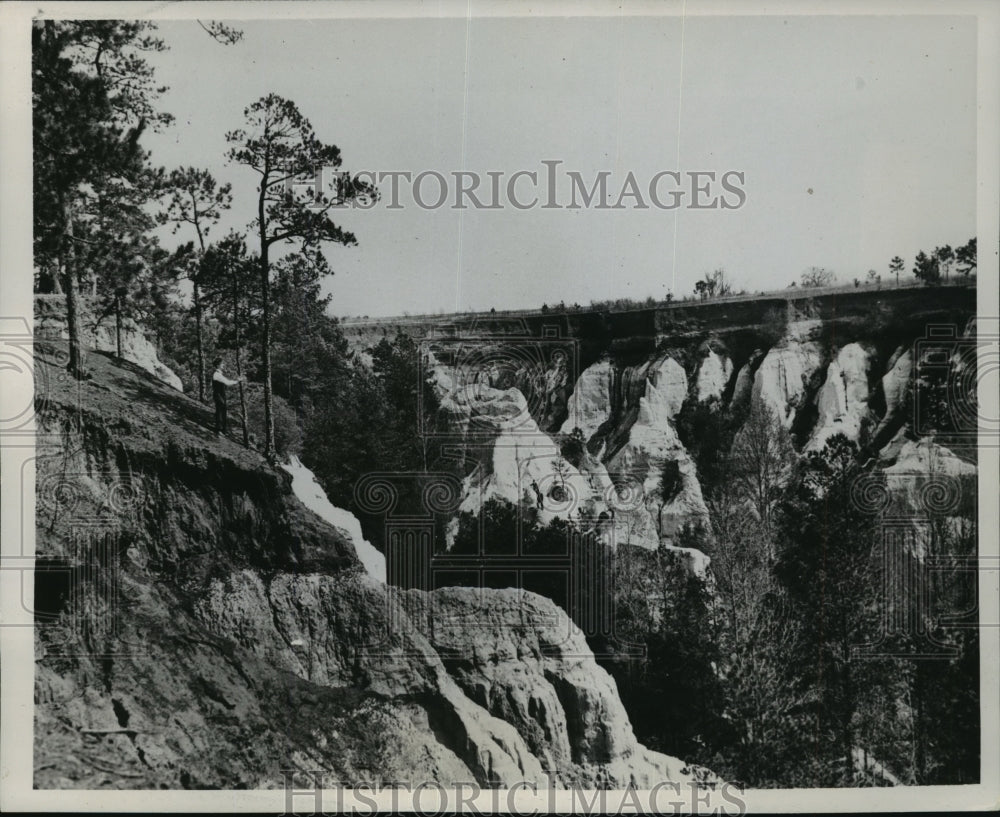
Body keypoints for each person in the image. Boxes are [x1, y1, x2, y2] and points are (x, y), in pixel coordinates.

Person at [211, 357, 244, 435]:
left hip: (220, 395)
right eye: (222, 364)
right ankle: (218, 430)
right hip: (218, 395)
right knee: (220, 412)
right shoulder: (217, 374)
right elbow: (228, 383)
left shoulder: (218, 374)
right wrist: (237, 381)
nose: (223, 365)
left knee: (222, 411)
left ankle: (222, 430)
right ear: (218, 365)